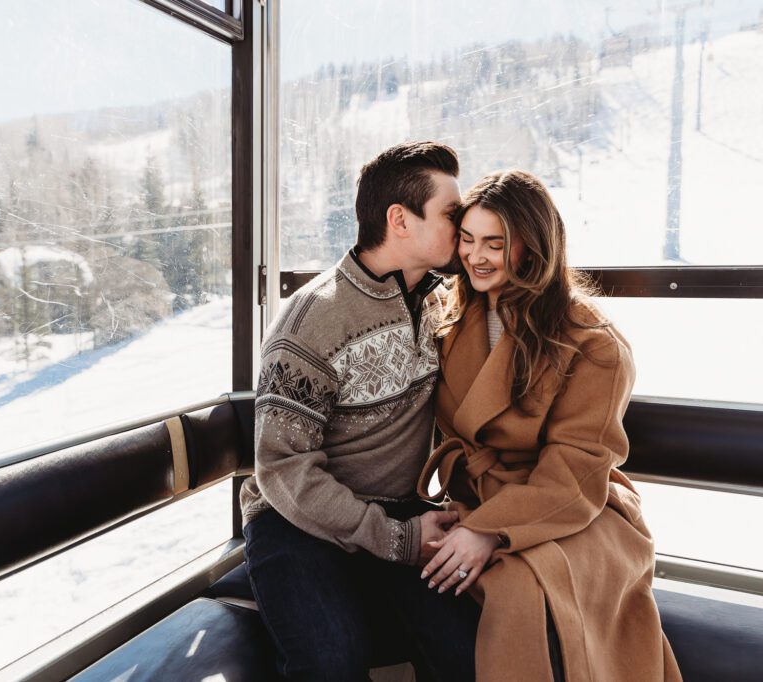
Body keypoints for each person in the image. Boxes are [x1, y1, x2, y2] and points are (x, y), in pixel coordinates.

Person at [417, 170, 682, 682]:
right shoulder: (446, 316)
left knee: (519, 586)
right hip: (476, 497)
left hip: (571, 507)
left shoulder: (592, 342)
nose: (476, 257)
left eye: (495, 244)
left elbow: (576, 469)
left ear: (533, 248)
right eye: (467, 241)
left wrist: (488, 530)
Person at [240, 141, 481, 681]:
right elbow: (282, 471)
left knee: (470, 650)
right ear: (400, 219)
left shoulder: (443, 302)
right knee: (331, 661)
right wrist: (396, 539)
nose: (463, 228)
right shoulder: (311, 322)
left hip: (396, 509)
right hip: (294, 519)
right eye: (451, 214)